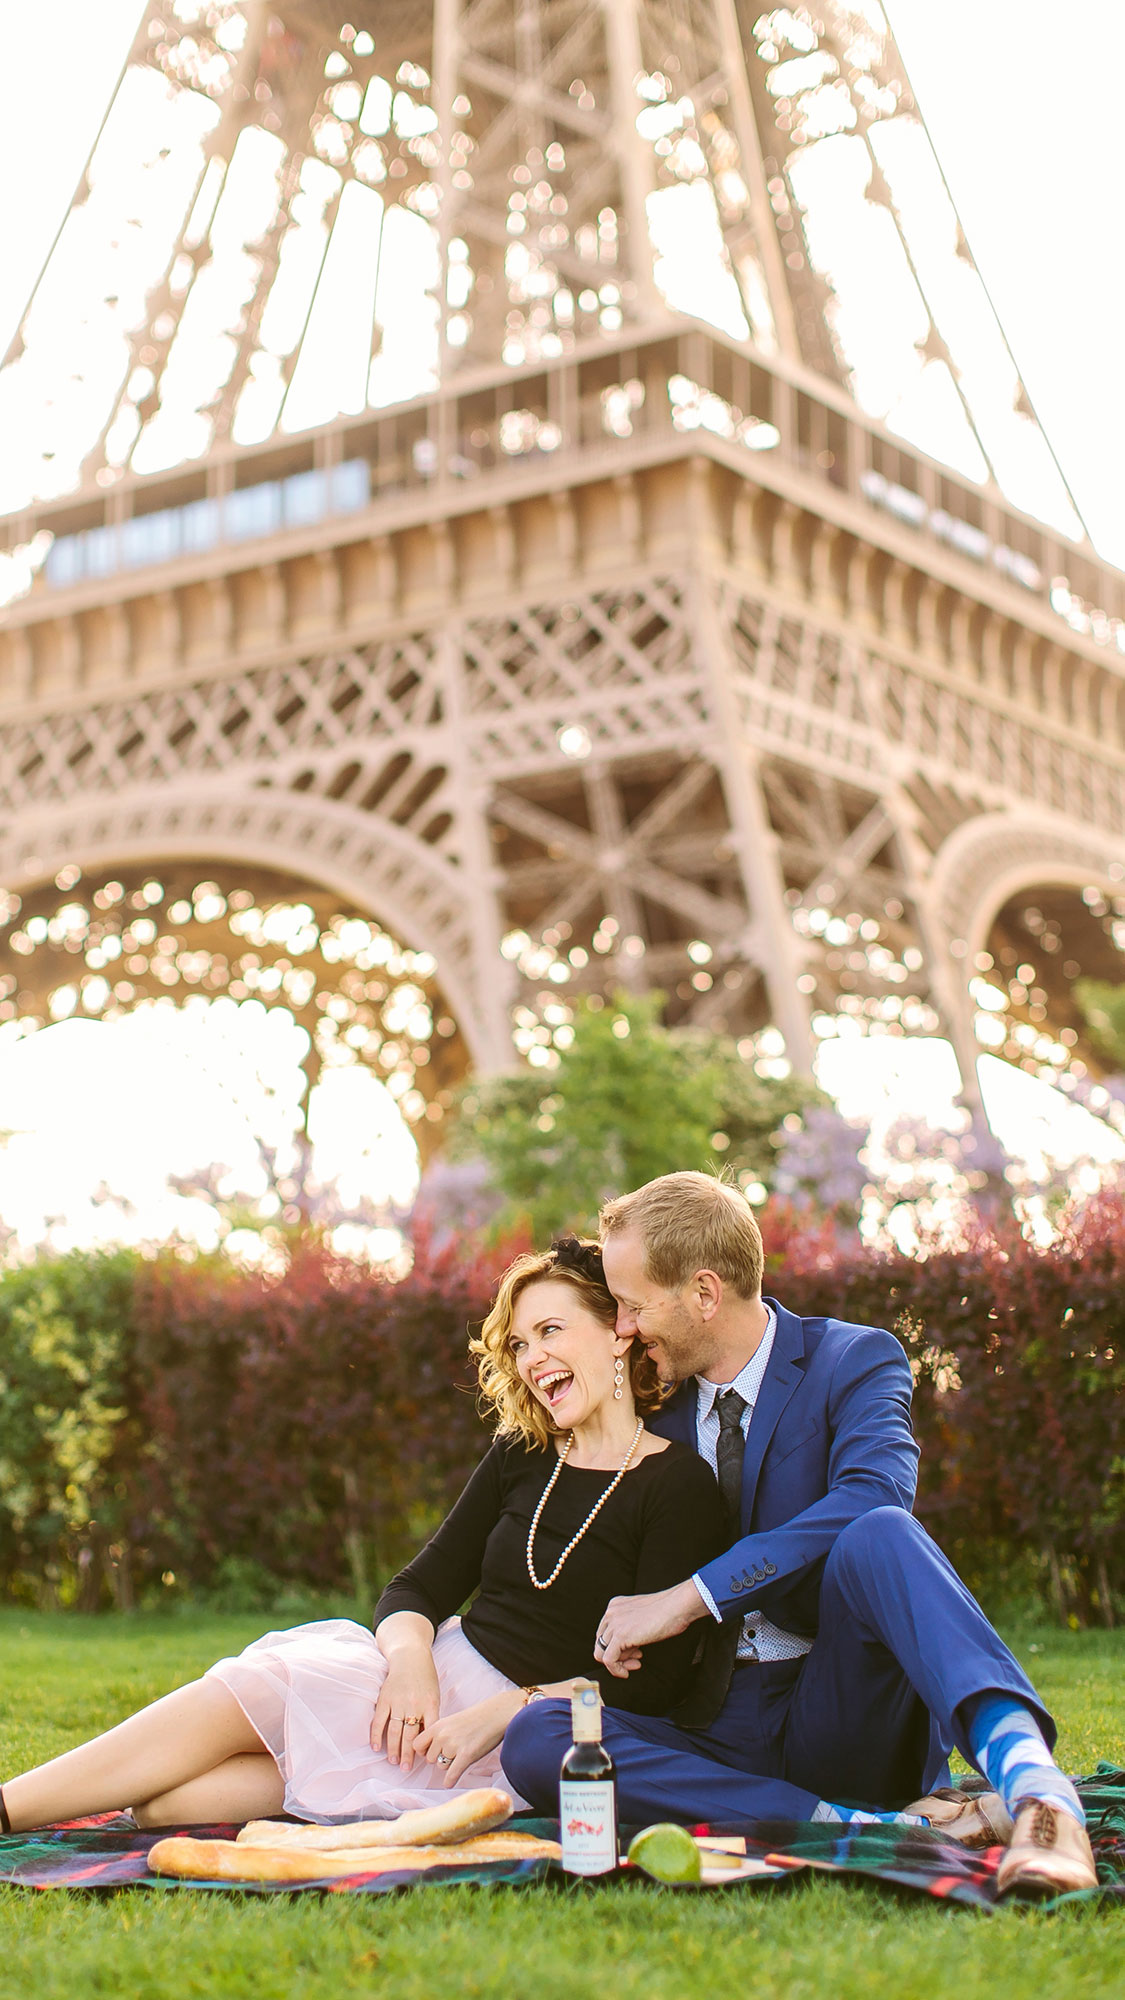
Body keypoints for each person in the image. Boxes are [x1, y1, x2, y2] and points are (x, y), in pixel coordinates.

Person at [0, 1238, 723, 1834]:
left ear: (618, 1331)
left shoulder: (677, 1486)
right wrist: (411, 1664)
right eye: (519, 1341)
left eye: (551, 1331)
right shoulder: (523, 1451)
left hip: (513, 1733)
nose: (531, 1359)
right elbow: (417, 1586)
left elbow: (650, 1692)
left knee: (167, 1806)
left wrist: (507, 1710)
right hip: (421, 1688)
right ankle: (8, 1809)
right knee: (251, 1691)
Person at [502, 1174, 1098, 1896]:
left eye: (630, 1305)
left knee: (880, 1531)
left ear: (702, 1293)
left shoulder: (852, 1360)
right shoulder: (649, 1409)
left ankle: (1040, 1802)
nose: (622, 1327)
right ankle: (882, 1830)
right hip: (707, 1733)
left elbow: (874, 1493)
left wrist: (692, 1596)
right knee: (539, 1739)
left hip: (842, 1710)